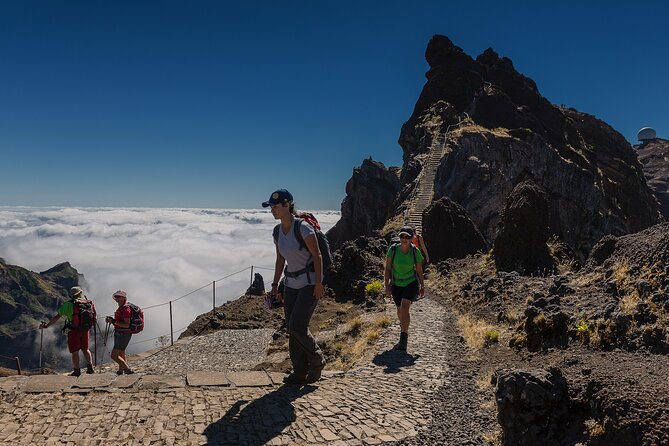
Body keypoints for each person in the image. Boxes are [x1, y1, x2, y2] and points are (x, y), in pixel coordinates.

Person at [263, 189, 326, 385]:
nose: (272, 210)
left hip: (308, 284)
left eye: (275, 206)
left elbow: (318, 256)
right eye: (271, 207)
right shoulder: (277, 231)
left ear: (287, 205)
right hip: (290, 285)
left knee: (297, 326)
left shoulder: (304, 228)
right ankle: (299, 372)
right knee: (292, 329)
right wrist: (274, 285)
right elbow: (280, 259)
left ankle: (317, 360)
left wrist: (319, 284)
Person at [384, 226, 425, 351]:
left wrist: (422, 285)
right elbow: (387, 268)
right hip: (396, 284)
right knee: (399, 310)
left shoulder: (415, 251)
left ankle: (403, 338)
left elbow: (419, 269)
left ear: (412, 238)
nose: (404, 239)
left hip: (411, 283)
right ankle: (404, 328)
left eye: (407, 237)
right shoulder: (393, 250)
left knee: (404, 307)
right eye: (402, 236)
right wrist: (387, 286)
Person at [40, 286, 95, 376]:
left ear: (71, 295)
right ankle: (90, 368)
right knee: (85, 349)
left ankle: (77, 371)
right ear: (80, 294)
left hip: (74, 331)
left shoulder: (68, 304)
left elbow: (57, 316)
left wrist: (47, 325)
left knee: (75, 351)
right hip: (85, 329)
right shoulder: (87, 303)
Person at [105, 290, 135, 375]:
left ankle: (127, 369)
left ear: (123, 298)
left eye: (119, 296)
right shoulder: (122, 307)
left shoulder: (126, 308)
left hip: (123, 334)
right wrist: (113, 321)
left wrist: (113, 321)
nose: (116, 298)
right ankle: (121, 370)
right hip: (120, 332)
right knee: (121, 352)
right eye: (116, 296)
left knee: (114, 356)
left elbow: (126, 325)